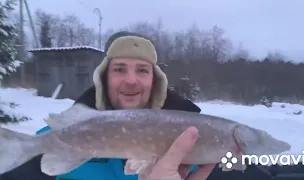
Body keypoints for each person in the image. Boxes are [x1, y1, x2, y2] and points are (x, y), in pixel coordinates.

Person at [0, 31, 214, 180]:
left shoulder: (202, 143)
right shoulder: (52, 138)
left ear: (155, 81)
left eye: (142, 70)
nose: (131, 80)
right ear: (104, 78)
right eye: (120, 69)